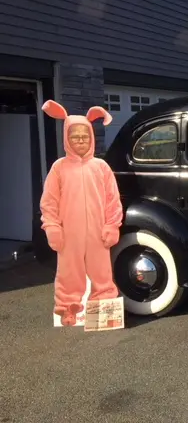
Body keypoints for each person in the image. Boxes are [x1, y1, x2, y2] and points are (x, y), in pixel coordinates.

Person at [39, 100, 123, 327]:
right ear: (66, 137)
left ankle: (103, 313)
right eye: (74, 136)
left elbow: (112, 199)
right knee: (68, 273)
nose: (80, 140)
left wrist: (112, 225)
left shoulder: (101, 167)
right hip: (69, 233)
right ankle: (68, 308)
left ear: (92, 137)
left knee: (102, 273)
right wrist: (52, 227)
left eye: (85, 135)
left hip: (98, 232)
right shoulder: (59, 168)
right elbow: (49, 201)